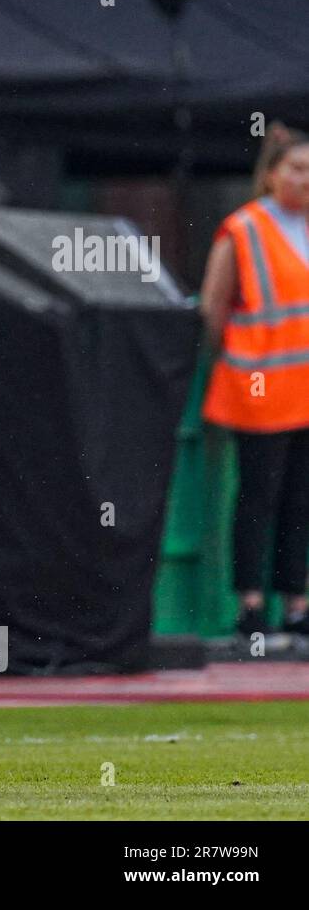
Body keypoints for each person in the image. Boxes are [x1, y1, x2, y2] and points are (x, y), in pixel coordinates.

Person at [200, 125, 309, 638]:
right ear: (270, 175)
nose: (306, 180)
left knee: (299, 499)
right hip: (260, 386)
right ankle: (250, 606)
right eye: (297, 168)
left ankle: (296, 603)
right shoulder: (243, 228)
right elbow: (214, 308)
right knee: (258, 498)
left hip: (304, 388)